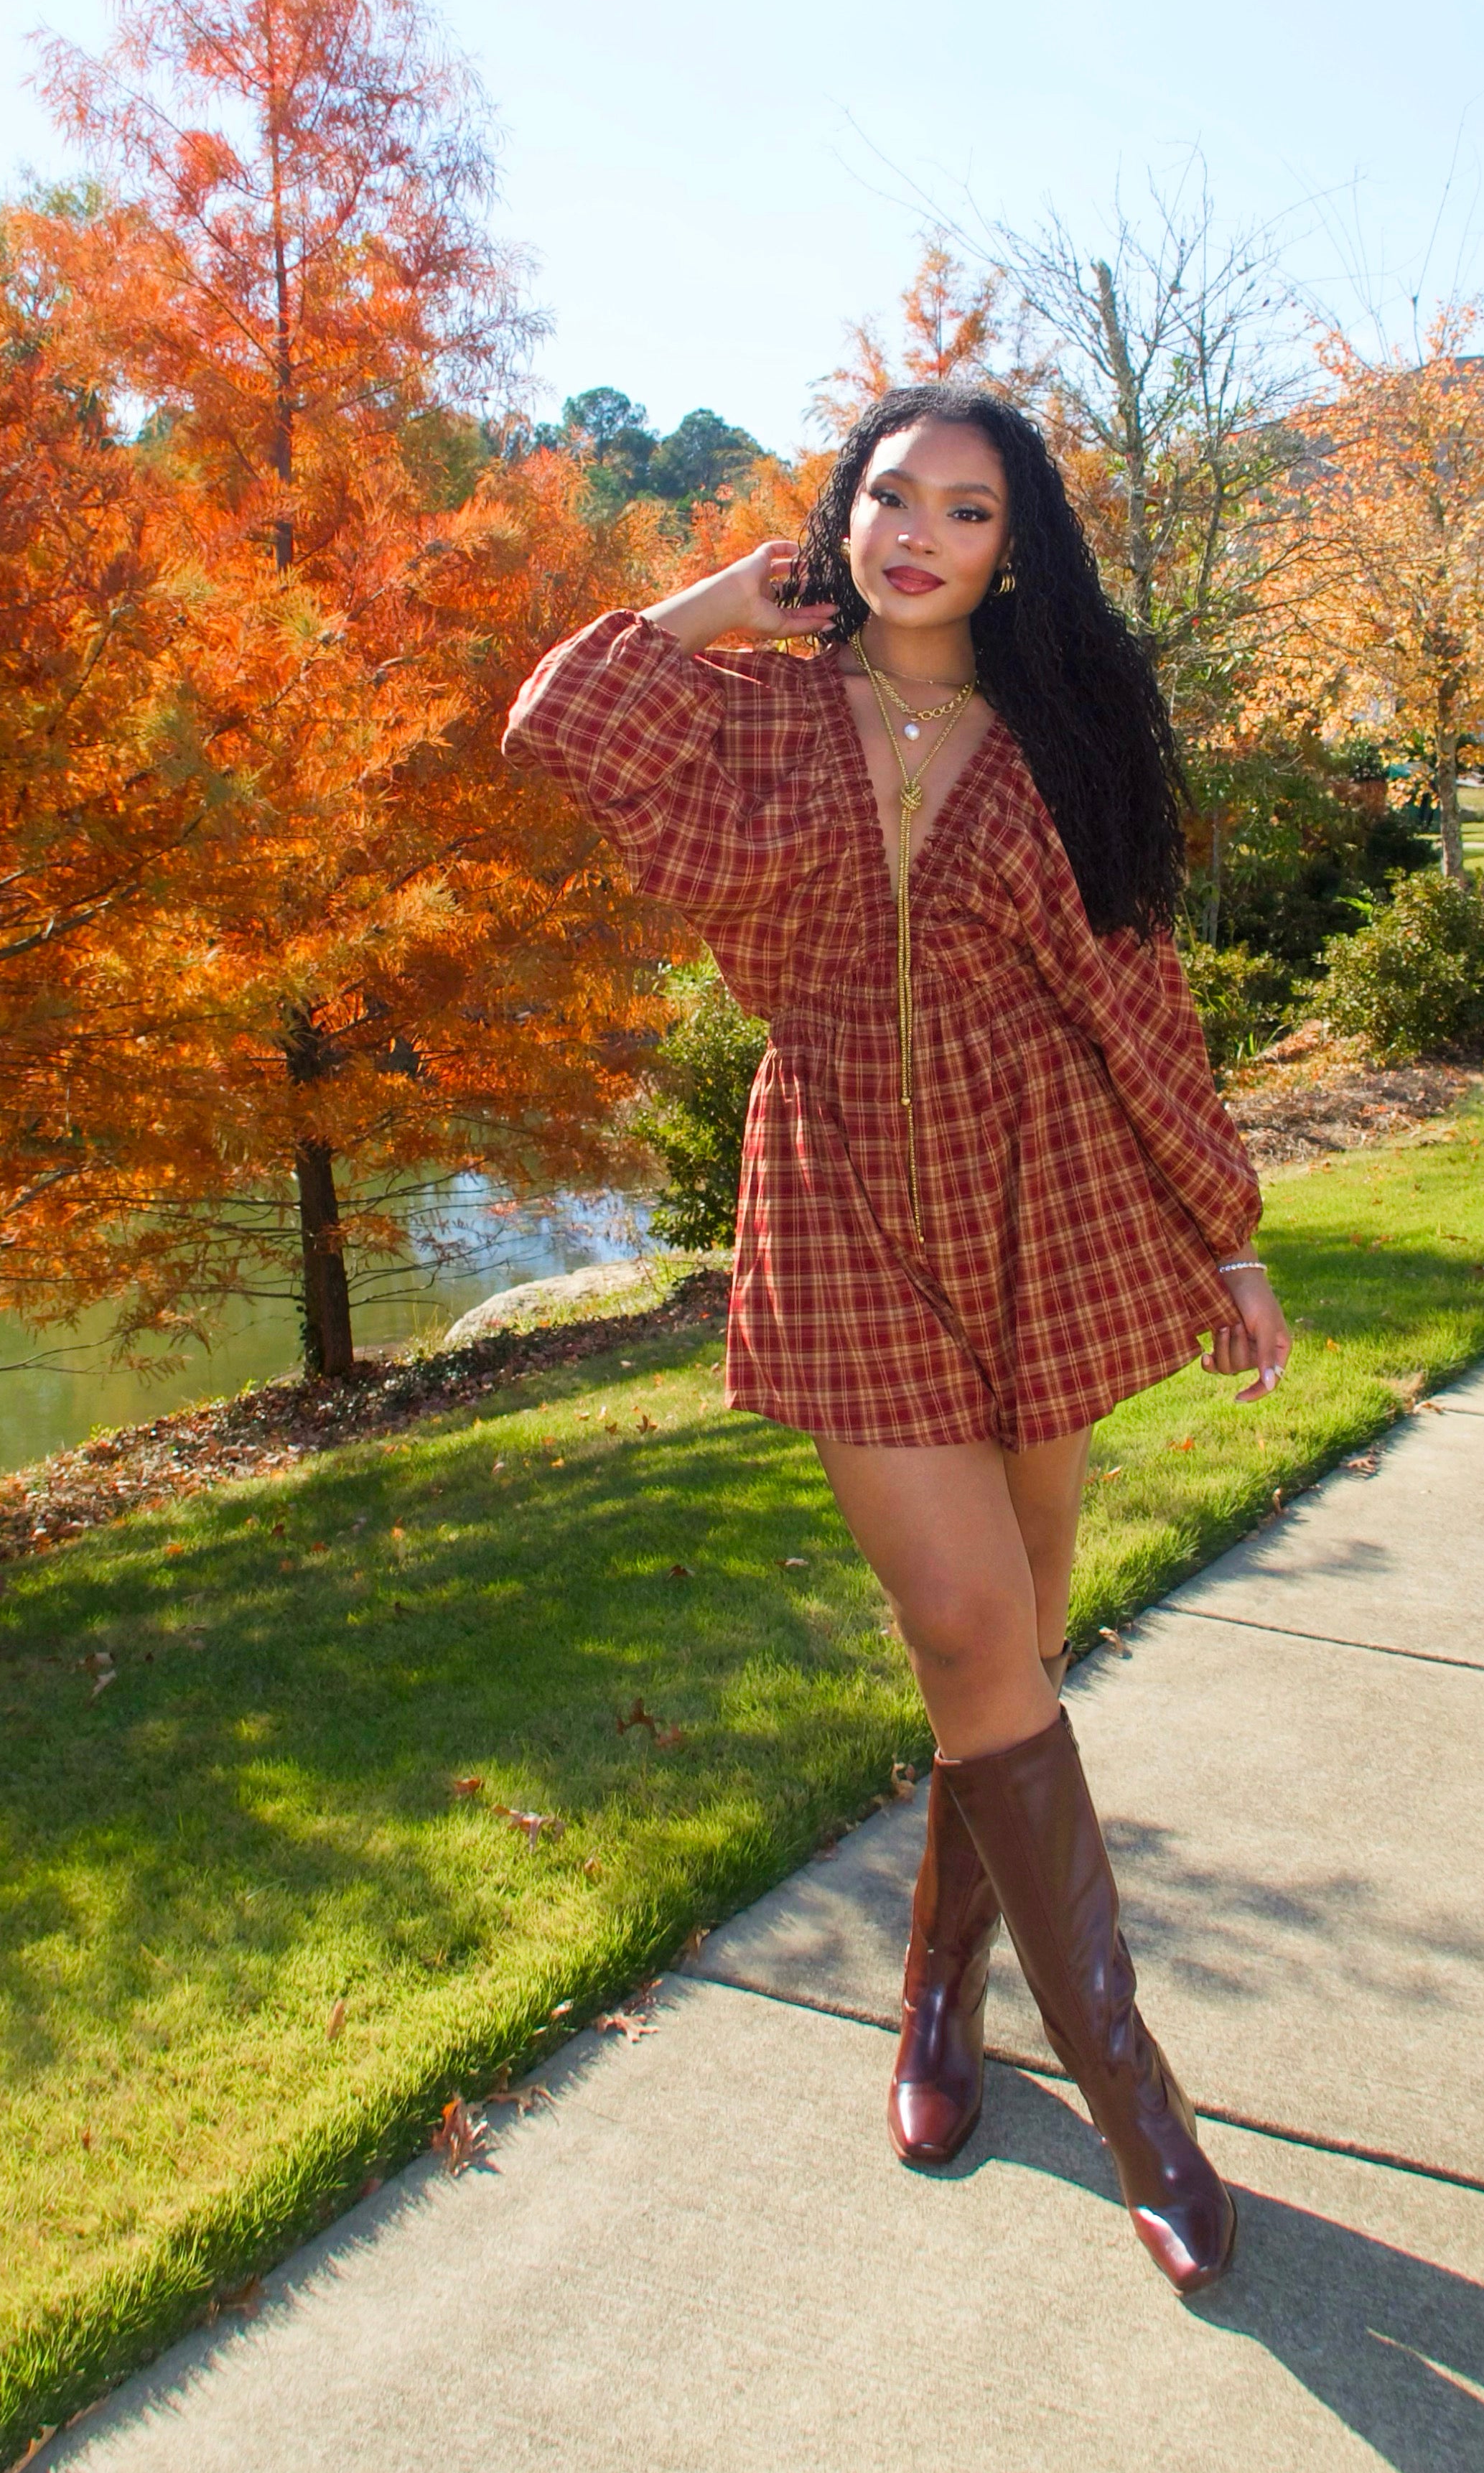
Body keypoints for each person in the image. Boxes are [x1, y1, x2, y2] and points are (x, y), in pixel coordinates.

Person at [503, 384, 1290, 2293]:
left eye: (963, 508)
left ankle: (939, 1997)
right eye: (886, 497)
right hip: (839, 1182)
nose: (916, 534)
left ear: (1013, 550)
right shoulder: (759, 713)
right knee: (961, 1626)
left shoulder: (1059, 737)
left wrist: (1226, 1233)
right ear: (840, 518)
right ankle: (1137, 2103)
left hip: (1043, 1192)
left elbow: (1137, 1002)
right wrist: (720, 602)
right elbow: (556, 722)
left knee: (1010, 1643)